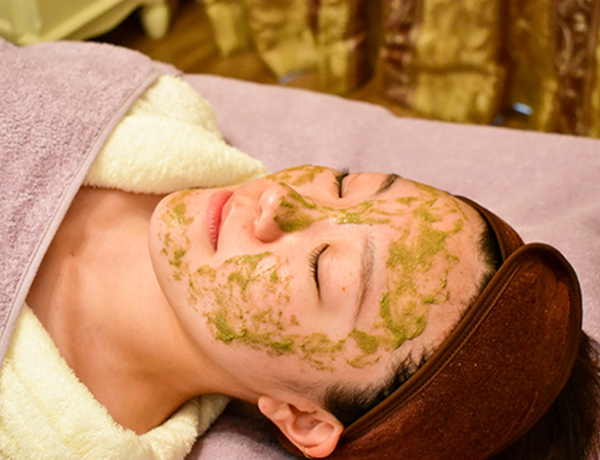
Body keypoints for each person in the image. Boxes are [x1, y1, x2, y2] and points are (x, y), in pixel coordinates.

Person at [20, 164, 600, 459]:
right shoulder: (150, 112)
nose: (279, 200)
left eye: (322, 269)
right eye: (346, 184)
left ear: (305, 420)